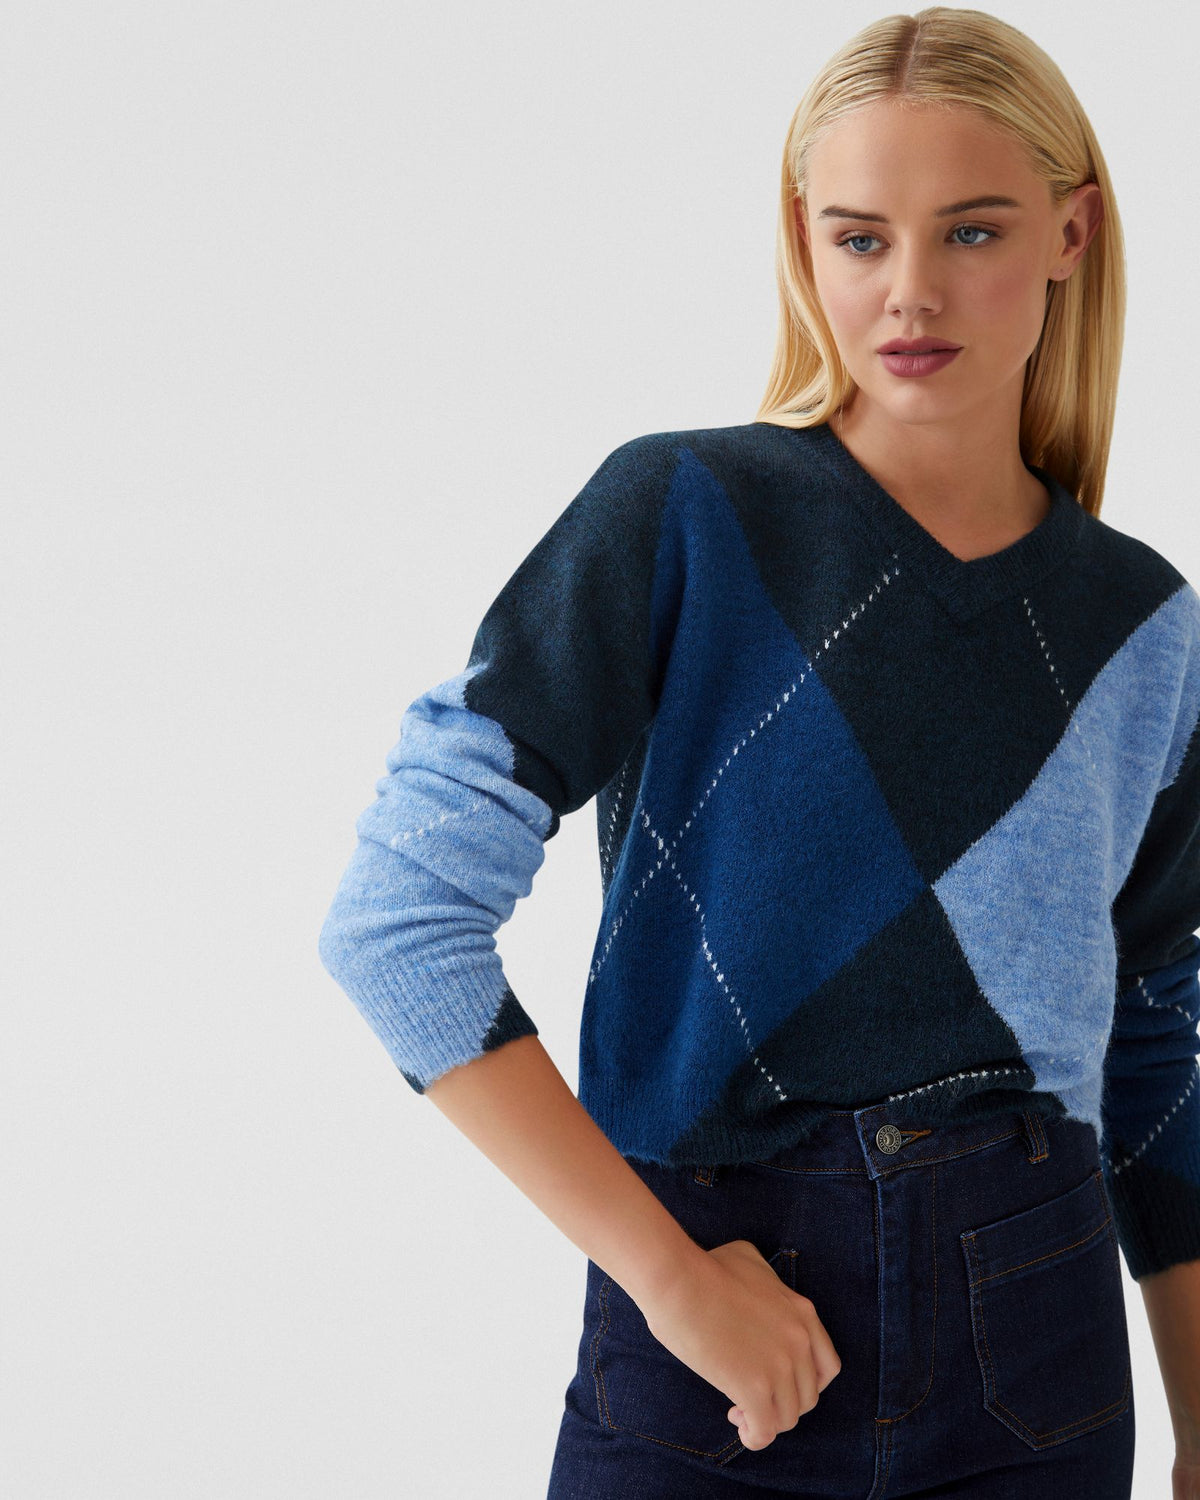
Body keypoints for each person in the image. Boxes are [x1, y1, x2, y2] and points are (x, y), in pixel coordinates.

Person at [318, 8, 1200, 1496]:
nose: (911, 289)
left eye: (973, 231)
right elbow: (396, 925)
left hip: (1038, 1361)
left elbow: (1159, 1031)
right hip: (713, 1350)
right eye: (860, 238)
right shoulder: (680, 518)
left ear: (1072, 231)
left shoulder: (1145, 628)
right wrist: (670, 1279)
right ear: (803, 242)